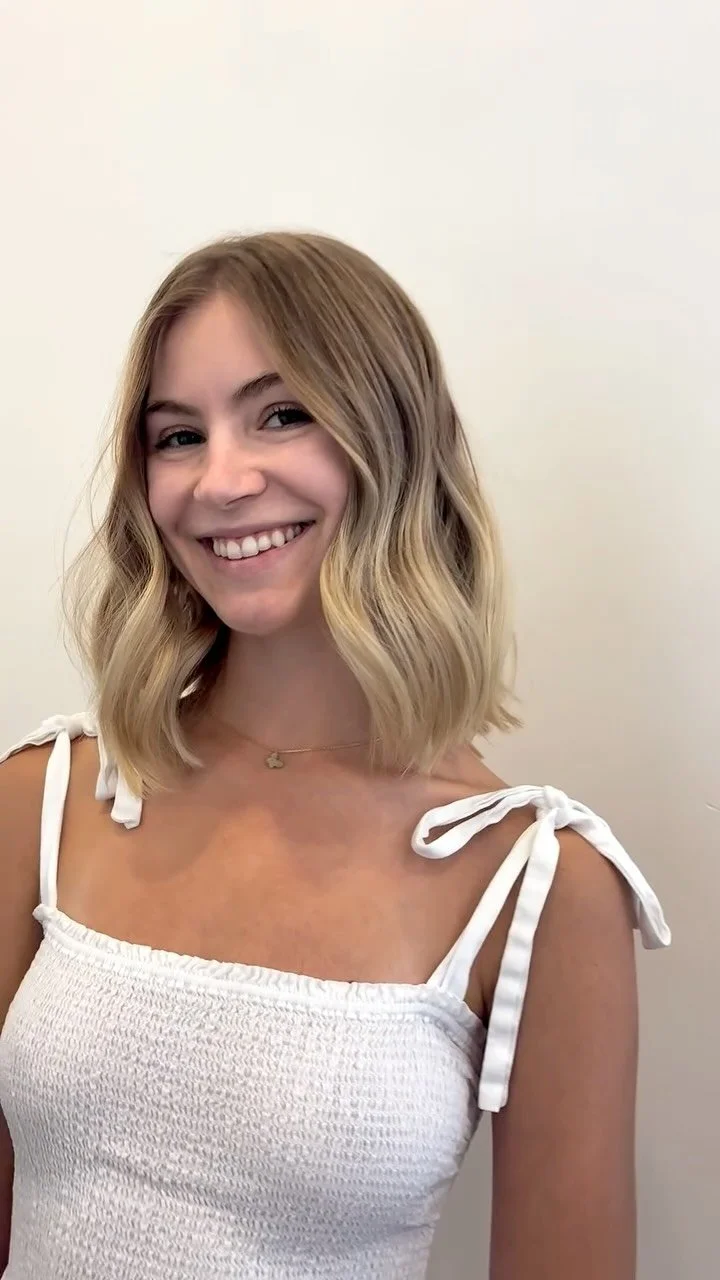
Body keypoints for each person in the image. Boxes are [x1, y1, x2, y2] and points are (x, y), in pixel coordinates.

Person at [0, 232, 670, 1280]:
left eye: (282, 414)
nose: (221, 480)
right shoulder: (46, 799)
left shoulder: (539, 883)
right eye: (178, 435)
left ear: (393, 439)